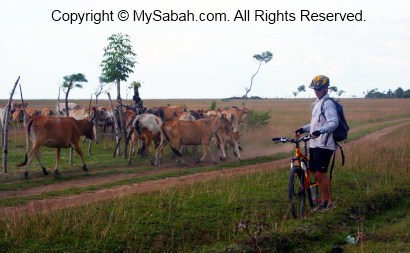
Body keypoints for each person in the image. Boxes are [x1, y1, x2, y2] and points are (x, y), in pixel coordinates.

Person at [294, 75, 339, 212]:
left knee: (320, 173)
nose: (316, 91)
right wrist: (303, 129)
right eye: (315, 89)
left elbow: (334, 122)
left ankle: (329, 203)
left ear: (326, 88)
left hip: (325, 144)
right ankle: (324, 201)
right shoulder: (317, 103)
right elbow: (315, 124)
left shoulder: (328, 103)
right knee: (316, 173)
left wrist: (320, 131)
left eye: (319, 89)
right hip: (315, 144)